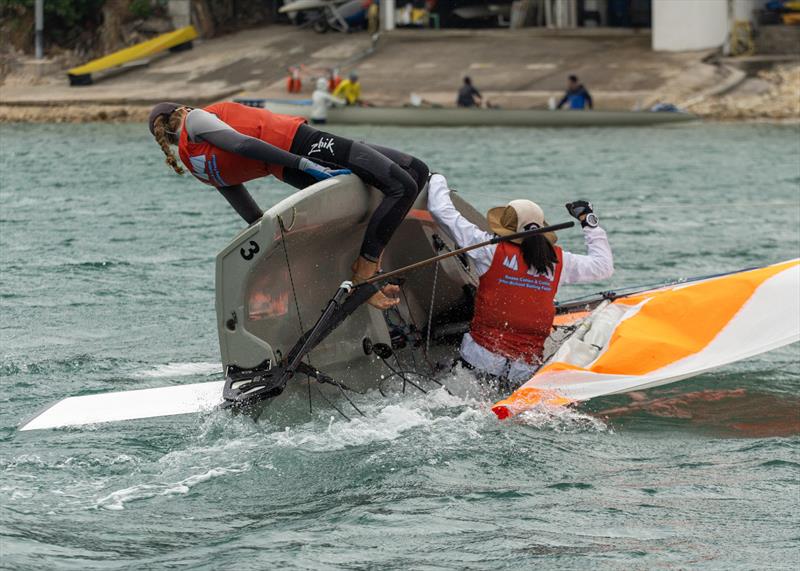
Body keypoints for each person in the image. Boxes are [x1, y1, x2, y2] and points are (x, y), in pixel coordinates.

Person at [148, 101, 429, 309]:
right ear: (182, 110)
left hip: (289, 169)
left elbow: (252, 215)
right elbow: (242, 144)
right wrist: (304, 162)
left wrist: (280, 259)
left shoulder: (197, 166)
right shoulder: (196, 119)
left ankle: (370, 267)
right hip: (303, 145)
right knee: (405, 182)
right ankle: (363, 274)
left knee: (413, 171)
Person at [427, 173, 613, 386]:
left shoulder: (489, 249)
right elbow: (603, 267)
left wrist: (437, 178)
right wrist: (588, 220)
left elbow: (441, 211)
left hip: (481, 360)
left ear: (508, 228)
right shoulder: (559, 261)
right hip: (525, 370)